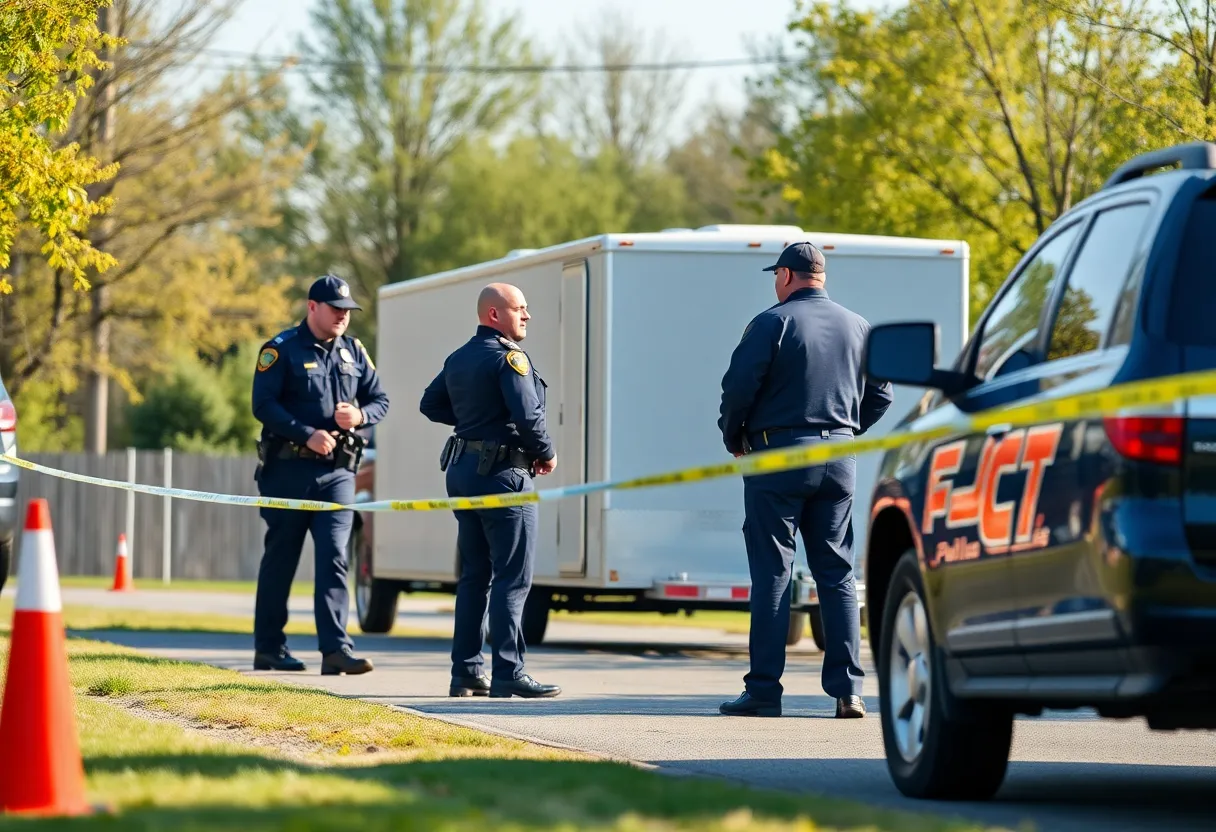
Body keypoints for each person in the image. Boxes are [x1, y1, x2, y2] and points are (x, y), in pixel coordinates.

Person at [716, 242, 894, 719]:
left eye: (777, 274)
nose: (776, 282)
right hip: (839, 459)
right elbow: (882, 395)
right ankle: (848, 692)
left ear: (790, 276)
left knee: (773, 573)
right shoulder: (858, 325)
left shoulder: (772, 322)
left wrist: (734, 436)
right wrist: (845, 433)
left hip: (777, 456)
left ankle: (764, 691)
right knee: (837, 574)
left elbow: (738, 387)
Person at [419, 282, 561, 699]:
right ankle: (508, 672)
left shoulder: (459, 356)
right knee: (512, 578)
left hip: (464, 471)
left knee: (475, 576)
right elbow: (529, 414)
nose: (527, 315)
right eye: (520, 308)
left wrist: (474, 421)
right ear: (494, 315)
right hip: (503, 474)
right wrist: (546, 453)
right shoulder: (509, 358)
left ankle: (465, 673)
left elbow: (430, 404)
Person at [250, 274, 390, 675]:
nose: (343, 317)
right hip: (288, 471)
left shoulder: (353, 352)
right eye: (335, 309)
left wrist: (361, 415)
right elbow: (263, 405)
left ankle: (335, 650)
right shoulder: (281, 350)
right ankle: (270, 648)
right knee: (281, 560)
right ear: (312, 307)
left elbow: (381, 399)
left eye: (347, 311)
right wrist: (306, 434)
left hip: (338, 475)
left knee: (334, 560)